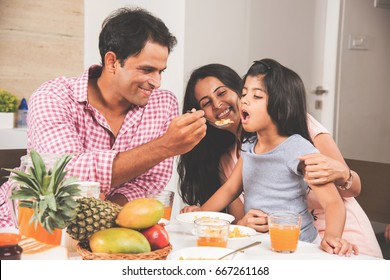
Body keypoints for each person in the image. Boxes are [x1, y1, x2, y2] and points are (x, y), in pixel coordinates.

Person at [0, 7, 207, 228]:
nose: (157, 82)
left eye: (161, 71)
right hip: (28, 227)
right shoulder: (54, 96)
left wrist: (101, 218)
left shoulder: (163, 103)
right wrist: (164, 146)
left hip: (106, 229)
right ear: (111, 62)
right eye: (147, 70)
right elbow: (66, 175)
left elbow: (150, 181)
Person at [178, 63, 383, 258]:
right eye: (245, 94)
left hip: (306, 246)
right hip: (268, 246)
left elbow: (334, 202)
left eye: (256, 95)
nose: (245, 100)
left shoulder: (298, 147)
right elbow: (230, 189)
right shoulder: (248, 147)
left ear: (279, 107)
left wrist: (332, 236)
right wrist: (197, 217)